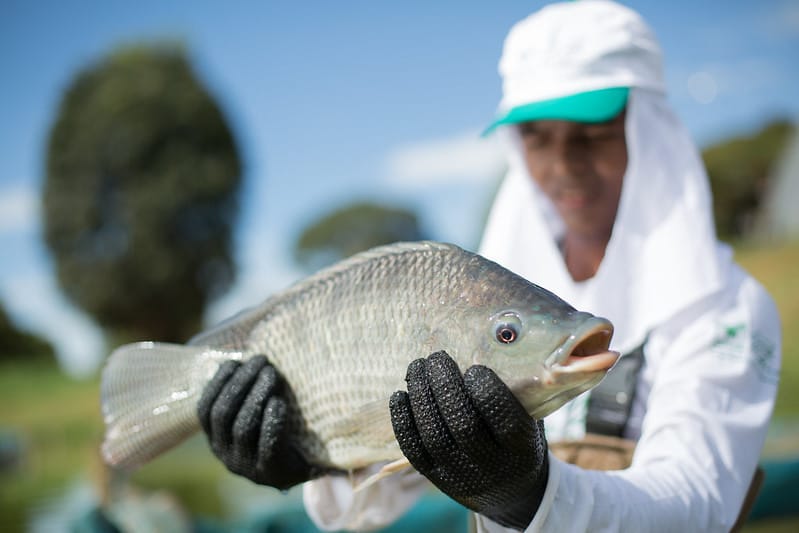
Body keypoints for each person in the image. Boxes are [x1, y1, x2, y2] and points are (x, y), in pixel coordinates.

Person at [197, 1, 782, 531]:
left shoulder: (728, 310)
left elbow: (696, 503)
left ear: (649, 134)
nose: (564, 165)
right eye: (537, 138)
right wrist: (313, 461)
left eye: (594, 134)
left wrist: (526, 495)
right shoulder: (490, 299)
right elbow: (377, 500)